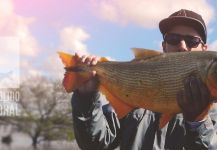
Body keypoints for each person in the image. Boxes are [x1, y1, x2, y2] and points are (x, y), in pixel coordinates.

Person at [71, 9, 217, 150]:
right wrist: (86, 99)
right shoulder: (132, 96)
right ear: (164, 46)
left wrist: (198, 123)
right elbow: (93, 144)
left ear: (204, 49)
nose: (182, 46)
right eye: (173, 39)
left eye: (192, 41)